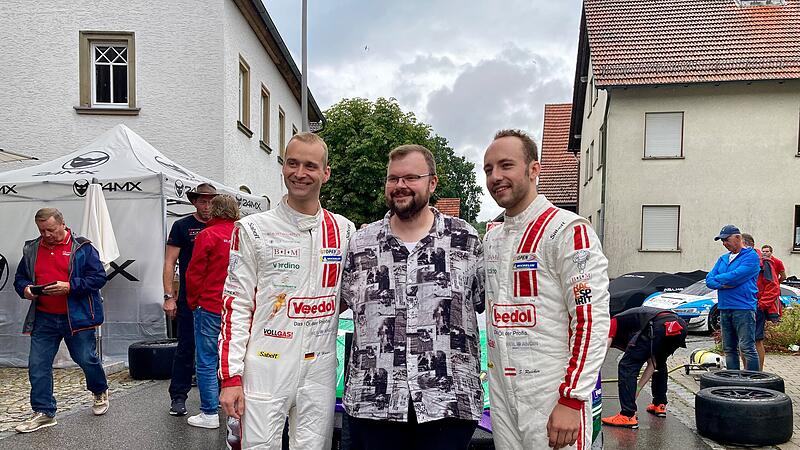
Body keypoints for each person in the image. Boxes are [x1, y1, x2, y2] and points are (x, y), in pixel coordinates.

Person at [340, 144, 485, 450]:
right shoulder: (359, 244)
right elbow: (339, 305)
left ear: (432, 183)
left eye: (411, 177)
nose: (400, 186)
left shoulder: (466, 240)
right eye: (393, 179)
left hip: (448, 401)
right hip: (375, 402)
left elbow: (488, 302)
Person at [218, 132, 354, 449]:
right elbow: (234, 305)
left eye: (310, 165)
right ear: (283, 166)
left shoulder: (344, 229)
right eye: (292, 163)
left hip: (320, 367)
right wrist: (231, 377)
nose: (300, 173)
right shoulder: (253, 229)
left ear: (326, 173)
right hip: (266, 363)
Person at [482, 129, 610, 450]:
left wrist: (572, 397)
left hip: (551, 393)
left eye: (506, 165)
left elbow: (591, 320)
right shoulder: (492, 238)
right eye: (488, 169)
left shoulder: (567, 230)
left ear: (534, 169)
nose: (496, 176)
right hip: (501, 394)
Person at [13, 208, 109, 433]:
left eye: (51, 230)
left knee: (85, 358)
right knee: (38, 365)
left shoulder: (83, 247)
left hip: (77, 316)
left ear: (63, 224)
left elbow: (98, 277)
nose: (46, 234)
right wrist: (25, 289)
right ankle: (44, 412)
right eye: (42, 230)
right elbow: (20, 278)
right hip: (44, 316)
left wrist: (70, 286)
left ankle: (99, 389)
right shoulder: (32, 248)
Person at [184, 194, 240, 428]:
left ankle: (209, 413)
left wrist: (193, 301)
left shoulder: (207, 235)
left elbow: (194, 272)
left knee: (207, 360)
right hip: (238, 307)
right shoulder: (242, 234)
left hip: (209, 304)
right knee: (237, 359)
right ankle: (237, 411)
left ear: (214, 210)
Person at [163, 182, 217, 415]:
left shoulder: (225, 226)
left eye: (211, 201)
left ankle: (219, 394)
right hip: (189, 298)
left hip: (217, 299)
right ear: (194, 201)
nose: (207, 206)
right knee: (186, 347)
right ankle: (178, 396)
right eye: (202, 201)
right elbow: (169, 262)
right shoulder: (182, 226)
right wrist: (168, 296)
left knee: (220, 348)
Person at [601, 306, 687, 428]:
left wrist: (593, 373)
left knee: (627, 366)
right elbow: (653, 364)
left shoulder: (613, 322)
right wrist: (636, 391)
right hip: (679, 326)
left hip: (658, 325)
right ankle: (659, 404)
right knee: (659, 363)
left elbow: (602, 352)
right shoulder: (635, 327)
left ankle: (627, 415)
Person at [706, 225, 760, 371]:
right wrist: (723, 283)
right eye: (722, 241)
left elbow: (736, 276)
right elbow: (709, 280)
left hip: (743, 308)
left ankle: (754, 381)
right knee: (729, 348)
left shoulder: (751, 257)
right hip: (724, 307)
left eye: (726, 239)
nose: (724, 243)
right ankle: (733, 380)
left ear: (737, 238)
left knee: (747, 347)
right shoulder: (723, 259)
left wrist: (720, 280)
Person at [755, 244, 784, 370]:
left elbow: (782, 277)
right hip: (759, 299)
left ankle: (759, 370)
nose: (765, 253)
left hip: (766, 297)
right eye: (763, 251)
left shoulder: (775, 262)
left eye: (767, 251)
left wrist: (762, 304)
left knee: (757, 339)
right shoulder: (758, 261)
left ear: (771, 252)